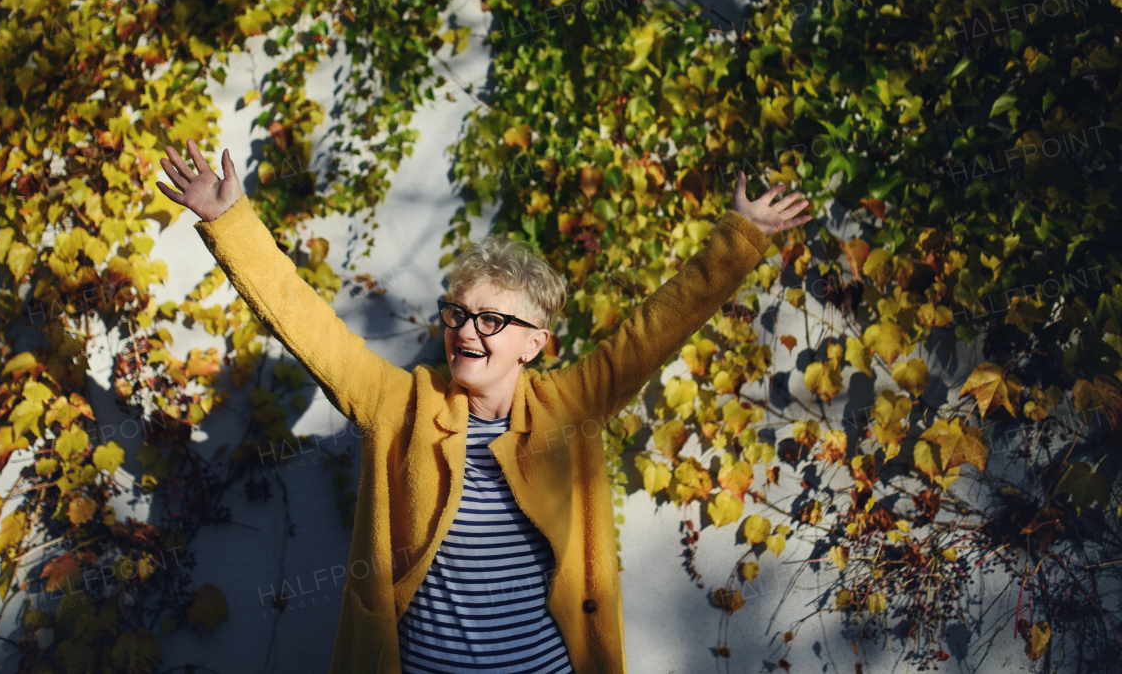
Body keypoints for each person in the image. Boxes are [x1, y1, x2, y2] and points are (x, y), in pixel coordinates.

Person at [156, 138, 811, 673]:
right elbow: (310, 327)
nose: (468, 331)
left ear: (534, 343)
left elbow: (655, 328)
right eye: (459, 314)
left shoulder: (572, 404)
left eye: (493, 320)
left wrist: (742, 236)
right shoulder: (398, 405)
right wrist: (229, 222)